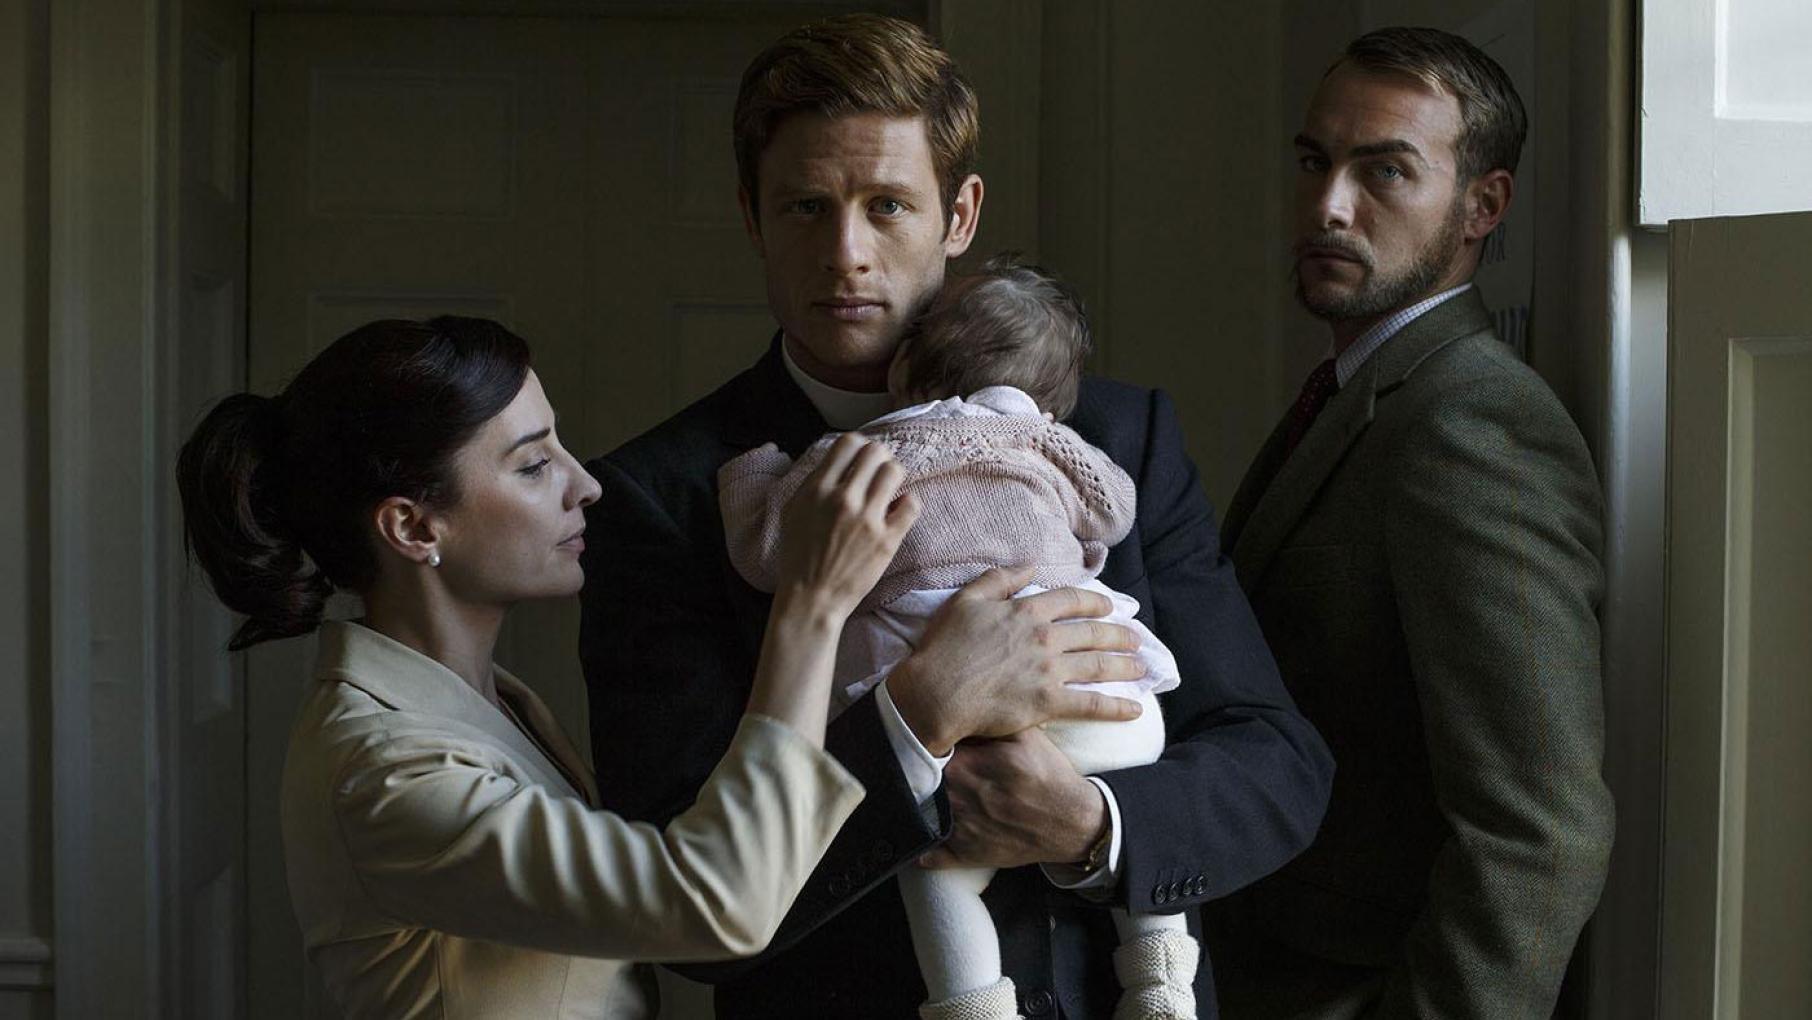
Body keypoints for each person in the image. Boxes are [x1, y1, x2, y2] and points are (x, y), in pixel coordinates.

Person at [579, 14, 1334, 1019]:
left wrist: (1090, 825)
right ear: (752, 217)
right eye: (805, 206)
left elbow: (1274, 763)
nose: (845, 253)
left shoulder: (1116, 437)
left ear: (960, 214)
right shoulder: (669, 495)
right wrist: (910, 721)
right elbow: (682, 906)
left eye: (886, 205)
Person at [176, 315, 923, 1019]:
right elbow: (719, 904)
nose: (585, 484)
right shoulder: (386, 768)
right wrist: (813, 604)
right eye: (533, 465)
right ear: (412, 525)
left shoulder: (490, 702)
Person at [1211, 27, 1614, 1018]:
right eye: (1316, 161)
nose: (1328, 206)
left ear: (1484, 204)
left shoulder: (1475, 420)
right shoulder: (1363, 390)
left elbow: (1543, 830)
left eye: (1384, 171)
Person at [717, 256, 1196, 1018]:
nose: (849, 255)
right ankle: (1164, 983)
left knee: (937, 874)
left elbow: (767, 551)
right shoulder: (1044, 438)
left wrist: (752, 476)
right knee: (1134, 814)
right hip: (1110, 705)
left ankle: (972, 1004)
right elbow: (1111, 509)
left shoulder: (861, 455)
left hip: (966, 746)